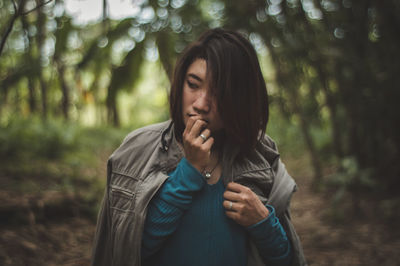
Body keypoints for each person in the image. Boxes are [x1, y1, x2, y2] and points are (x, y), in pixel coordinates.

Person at [91, 28, 306, 266]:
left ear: (240, 98)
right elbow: (128, 251)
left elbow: (287, 260)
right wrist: (189, 170)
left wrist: (263, 223)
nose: (201, 104)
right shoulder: (138, 150)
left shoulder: (260, 156)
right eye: (193, 85)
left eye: (218, 92)